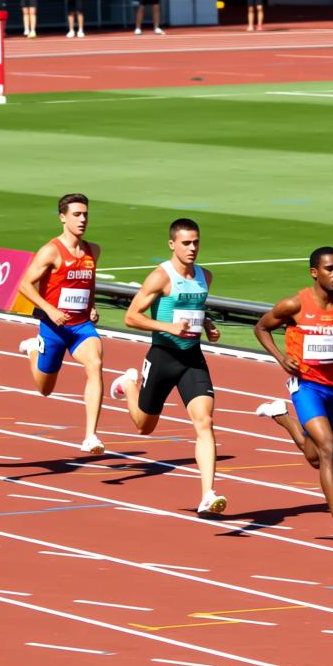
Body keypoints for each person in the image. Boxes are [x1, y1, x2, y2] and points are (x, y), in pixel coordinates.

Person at [253, 248, 333, 553]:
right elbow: (261, 328)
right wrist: (282, 359)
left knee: (314, 456)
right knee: (329, 448)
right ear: (314, 273)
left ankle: (281, 417)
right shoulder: (295, 304)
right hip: (306, 387)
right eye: (329, 269)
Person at [108, 218, 227, 516]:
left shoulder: (204, 276)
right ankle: (129, 384)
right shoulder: (161, 277)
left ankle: (208, 494)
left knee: (205, 422)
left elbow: (196, 310)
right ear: (172, 244)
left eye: (196, 242)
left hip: (192, 358)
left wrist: (208, 325)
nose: (192, 248)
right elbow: (132, 317)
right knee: (144, 426)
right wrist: (167, 327)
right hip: (163, 355)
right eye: (186, 243)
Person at [16, 194, 106, 454]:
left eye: (86, 214)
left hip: (80, 328)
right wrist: (50, 310)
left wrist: (92, 307)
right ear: (63, 217)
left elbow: (87, 283)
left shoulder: (93, 251)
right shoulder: (51, 251)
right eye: (77, 214)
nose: (83, 219)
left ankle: (90, 436)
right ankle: (34, 349)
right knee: (45, 389)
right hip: (53, 328)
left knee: (96, 363)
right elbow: (24, 285)